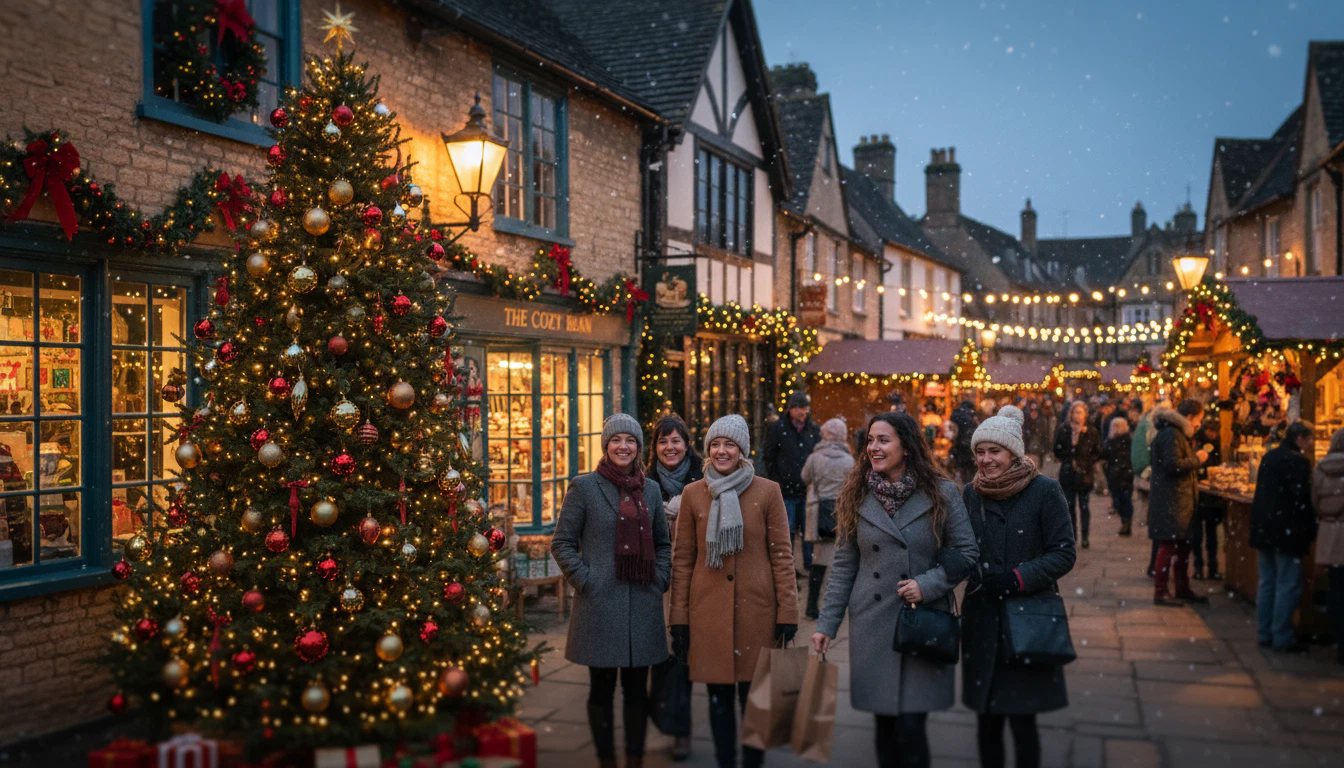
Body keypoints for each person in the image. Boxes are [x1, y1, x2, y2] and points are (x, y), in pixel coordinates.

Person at [812, 412, 977, 768]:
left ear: (906, 446)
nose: (873, 447)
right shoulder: (857, 493)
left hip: (924, 623)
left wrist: (927, 584)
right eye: (870, 440)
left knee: (912, 727)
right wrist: (826, 624)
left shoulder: (943, 492)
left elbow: (967, 554)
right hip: (872, 624)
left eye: (883, 440)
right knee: (884, 726)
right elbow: (844, 566)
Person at [670, 414, 797, 768]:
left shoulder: (767, 491)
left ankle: (753, 763)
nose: (721, 451)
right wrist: (678, 618)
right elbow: (682, 561)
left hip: (758, 614)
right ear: (707, 450)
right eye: (715, 444)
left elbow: (782, 556)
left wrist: (788, 612)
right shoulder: (693, 494)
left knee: (756, 703)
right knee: (718, 701)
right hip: (708, 615)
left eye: (729, 445)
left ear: (742, 450)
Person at [552, 414, 672, 768]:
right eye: (617, 440)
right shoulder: (584, 486)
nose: (624, 446)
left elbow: (663, 543)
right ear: (606, 445)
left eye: (630, 441)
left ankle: (633, 758)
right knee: (601, 691)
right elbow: (562, 543)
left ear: (638, 448)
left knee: (637, 693)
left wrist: (659, 579)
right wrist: (588, 581)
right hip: (600, 606)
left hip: (643, 604)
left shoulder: (649, 489)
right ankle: (607, 759)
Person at [961, 406, 1076, 768]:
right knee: (986, 720)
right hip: (981, 620)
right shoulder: (970, 493)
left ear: (1013, 453)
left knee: (1024, 722)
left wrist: (1017, 578)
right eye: (980, 452)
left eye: (994, 451)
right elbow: (957, 549)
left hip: (1027, 620)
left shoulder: (1044, 491)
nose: (985, 460)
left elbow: (1063, 553)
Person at [647, 414, 703, 762]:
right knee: (659, 659)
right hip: (653, 584)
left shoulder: (705, 479)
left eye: (676, 440)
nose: (670, 447)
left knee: (682, 657)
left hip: (695, 582)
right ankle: (661, 713)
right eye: (663, 441)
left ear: (686, 444)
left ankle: (680, 730)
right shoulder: (645, 482)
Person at [1250, 420, 1317, 653]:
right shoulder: (1298, 462)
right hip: (1286, 531)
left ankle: (1264, 632)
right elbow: (1302, 501)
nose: (1310, 445)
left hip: (1265, 529)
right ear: (1300, 439)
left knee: (1267, 582)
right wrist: (1309, 529)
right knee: (1287, 583)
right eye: (1309, 440)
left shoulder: (1270, 457)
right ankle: (1282, 636)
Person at [1148, 400, 1210, 608]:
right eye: (1199, 419)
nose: (1199, 424)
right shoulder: (1171, 435)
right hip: (1172, 501)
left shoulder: (1173, 433)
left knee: (1183, 545)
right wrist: (1197, 459)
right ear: (1191, 417)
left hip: (1178, 500)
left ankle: (1182, 588)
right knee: (1169, 545)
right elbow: (1172, 465)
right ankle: (1161, 591)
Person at [761, 391, 821, 573]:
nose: (804, 412)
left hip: (807, 490)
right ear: (791, 409)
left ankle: (810, 566)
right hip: (785, 491)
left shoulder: (813, 430)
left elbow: (817, 456)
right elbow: (768, 457)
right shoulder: (778, 429)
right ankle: (788, 568)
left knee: (808, 532)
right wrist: (776, 480)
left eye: (806, 408)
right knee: (786, 532)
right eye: (800, 408)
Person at [801, 417, 854, 619]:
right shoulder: (849, 461)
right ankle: (840, 607)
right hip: (841, 514)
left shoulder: (814, 458)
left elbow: (805, 477)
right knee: (843, 562)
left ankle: (812, 607)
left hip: (818, 514)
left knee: (819, 563)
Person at [1311, 427, 1344, 665]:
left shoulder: (1320, 469)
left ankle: (1339, 641)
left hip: (1330, 534)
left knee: (1336, 588)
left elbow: (1314, 502)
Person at [1053, 402, 1099, 548]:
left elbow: (1097, 451)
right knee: (1069, 506)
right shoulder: (1064, 430)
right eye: (1075, 412)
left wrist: (1086, 461)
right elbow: (1056, 449)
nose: (1077, 415)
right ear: (1071, 414)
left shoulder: (1090, 431)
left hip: (1084, 474)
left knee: (1084, 505)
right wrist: (1068, 456)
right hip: (1068, 473)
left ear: (1085, 414)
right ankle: (1072, 535)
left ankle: (1085, 536)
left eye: (1080, 412)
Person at [1191, 418, 1224, 580]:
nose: (1213, 435)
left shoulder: (1216, 443)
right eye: (1211, 432)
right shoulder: (1196, 441)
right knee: (1197, 534)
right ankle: (1198, 566)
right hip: (1198, 493)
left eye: (1215, 432)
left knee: (1211, 534)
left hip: (1210, 494)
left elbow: (1217, 462)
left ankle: (1212, 567)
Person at [1100, 417, 1135, 536]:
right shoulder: (1110, 440)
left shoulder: (1128, 440)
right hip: (1114, 474)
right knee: (1117, 500)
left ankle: (1126, 522)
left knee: (1125, 499)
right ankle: (1125, 520)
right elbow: (1103, 454)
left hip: (1125, 474)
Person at [950, 400, 979, 486]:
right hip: (969, 445)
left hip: (959, 445)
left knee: (961, 468)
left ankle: (963, 484)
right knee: (970, 469)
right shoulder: (971, 417)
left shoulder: (956, 415)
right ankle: (969, 485)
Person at [1025, 402, 1053, 470]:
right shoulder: (1028, 421)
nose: (1033, 414)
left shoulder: (1041, 421)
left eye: (1035, 412)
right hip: (1031, 446)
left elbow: (1044, 435)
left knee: (1037, 464)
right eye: (1032, 412)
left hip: (1039, 446)